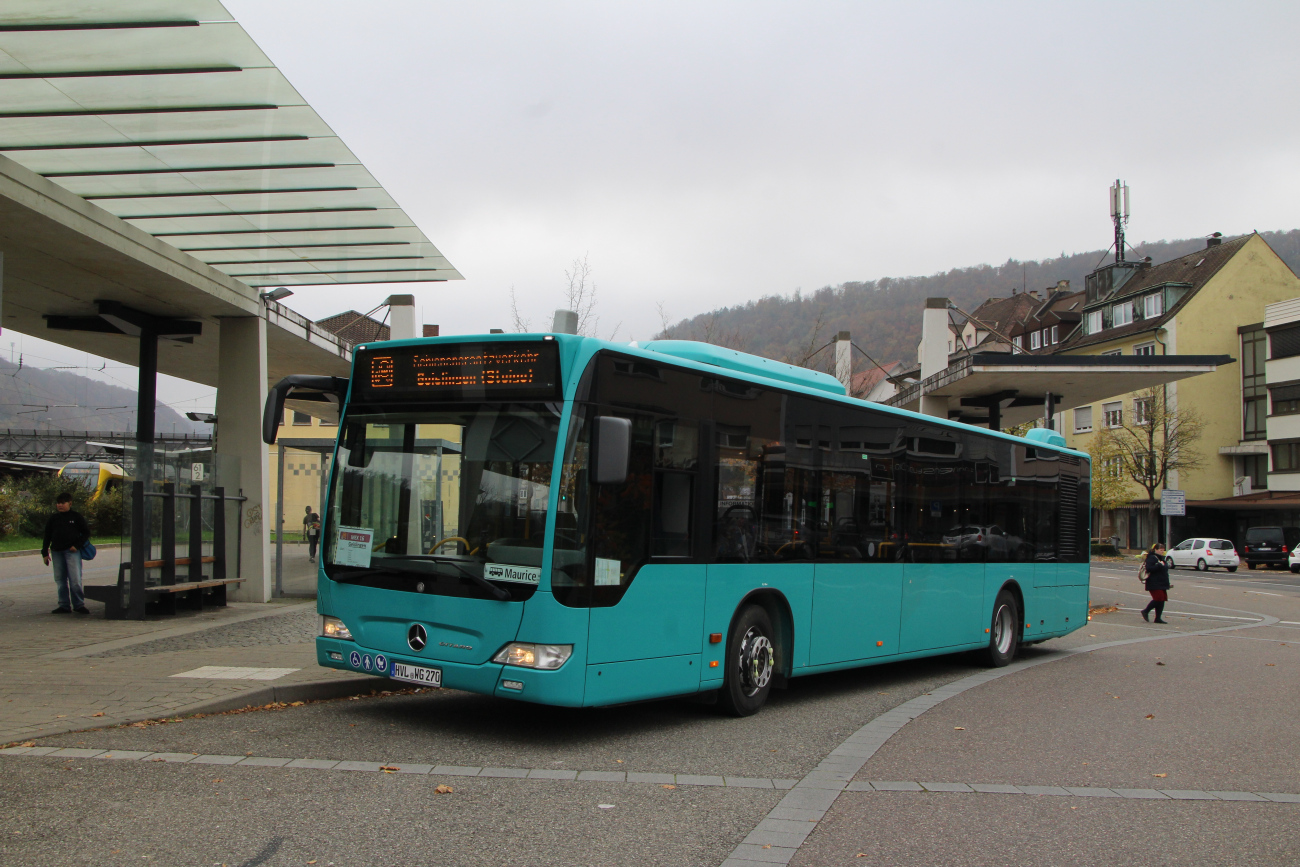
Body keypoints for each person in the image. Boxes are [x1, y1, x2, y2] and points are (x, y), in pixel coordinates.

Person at [42, 492, 91, 615]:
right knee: (60, 580)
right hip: (56, 552)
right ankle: (64, 605)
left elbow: (86, 533)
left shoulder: (76, 517)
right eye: (58, 503)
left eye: (62, 503)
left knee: (75, 580)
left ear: (70, 503)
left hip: (72, 552)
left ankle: (79, 605)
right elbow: (47, 536)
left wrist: (77, 546)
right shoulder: (54, 518)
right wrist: (45, 553)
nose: (60, 505)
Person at [1141, 542, 1170, 624]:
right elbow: (1149, 568)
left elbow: (1165, 568)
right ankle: (1145, 611)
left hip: (1162, 582)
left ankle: (1158, 618)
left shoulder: (1161, 558)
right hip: (1154, 582)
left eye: (1163, 550)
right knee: (1158, 598)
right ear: (1155, 550)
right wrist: (1159, 565)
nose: (1162, 551)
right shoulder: (1151, 557)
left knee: (1162, 599)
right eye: (1160, 550)